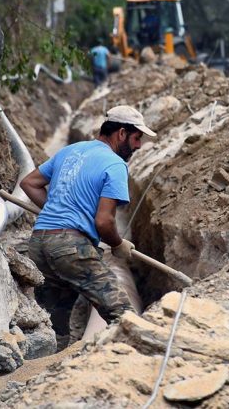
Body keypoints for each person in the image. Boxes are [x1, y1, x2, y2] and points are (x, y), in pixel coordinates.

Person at [19, 105, 157, 337]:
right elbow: (104, 222)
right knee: (123, 314)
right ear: (121, 133)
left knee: (56, 314)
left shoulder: (70, 151)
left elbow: (29, 183)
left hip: (39, 242)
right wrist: (117, 244)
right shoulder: (115, 165)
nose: (138, 145)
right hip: (71, 249)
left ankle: (52, 361)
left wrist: (59, 210)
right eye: (136, 138)